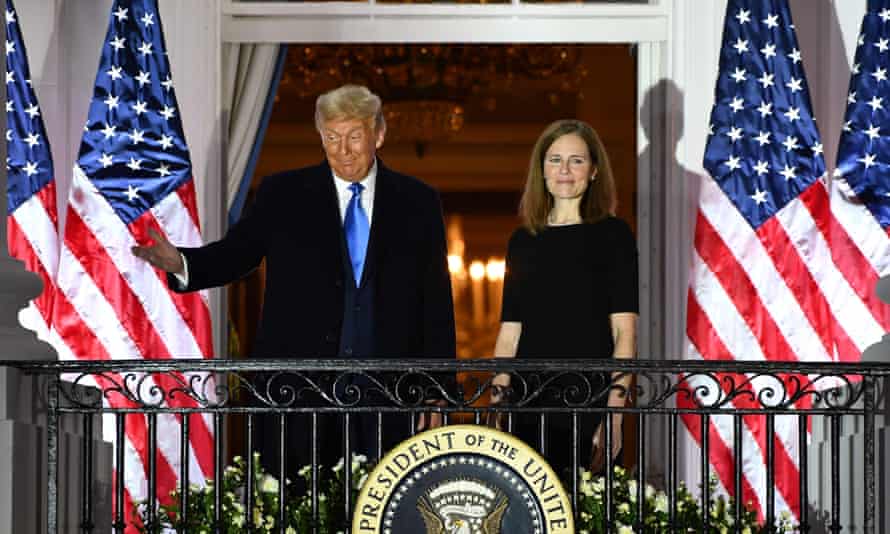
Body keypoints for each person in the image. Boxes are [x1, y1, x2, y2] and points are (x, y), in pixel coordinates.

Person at [132, 84, 456, 473]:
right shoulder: (283, 193)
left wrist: (437, 392)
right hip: (298, 393)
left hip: (389, 396)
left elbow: (435, 300)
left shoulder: (417, 201)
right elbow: (239, 253)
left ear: (379, 134)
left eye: (355, 137)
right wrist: (183, 261)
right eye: (332, 138)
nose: (344, 150)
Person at [489, 119, 638, 479]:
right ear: (541, 170)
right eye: (555, 160)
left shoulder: (613, 235)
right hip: (529, 400)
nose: (565, 171)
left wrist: (613, 417)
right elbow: (510, 333)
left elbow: (625, 334)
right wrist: (494, 412)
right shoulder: (522, 240)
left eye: (577, 160)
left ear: (594, 170)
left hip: (588, 397)